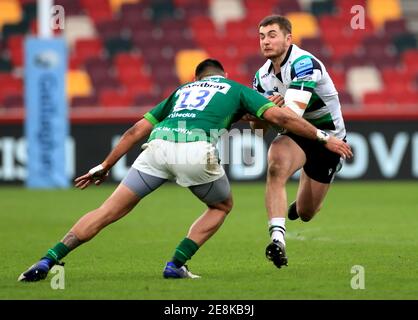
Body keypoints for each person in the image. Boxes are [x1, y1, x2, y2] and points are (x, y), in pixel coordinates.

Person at [18, 59, 352, 282]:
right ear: (222, 75)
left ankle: (48, 260)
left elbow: (136, 130)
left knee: (107, 211)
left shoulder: (181, 92)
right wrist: (324, 137)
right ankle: (175, 265)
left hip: (158, 148)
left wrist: (105, 165)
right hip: (195, 150)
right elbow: (277, 119)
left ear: (197, 79)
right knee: (221, 206)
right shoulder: (235, 89)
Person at [251, 15, 350, 268]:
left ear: (288, 38)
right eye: (262, 36)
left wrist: (269, 111)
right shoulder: (260, 77)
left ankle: (300, 205)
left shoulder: (304, 63)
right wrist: (261, 116)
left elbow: (292, 116)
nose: (266, 41)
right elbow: (258, 131)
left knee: (306, 213)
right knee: (275, 166)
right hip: (297, 133)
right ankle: (277, 240)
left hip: (330, 137)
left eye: (272, 35)